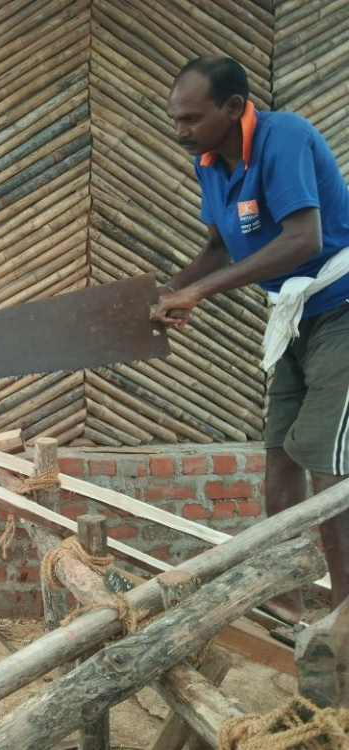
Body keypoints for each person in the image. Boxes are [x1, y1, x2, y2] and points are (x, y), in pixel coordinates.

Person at [153, 56, 349, 623]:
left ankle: (342, 621)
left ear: (234, 108)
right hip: (292, 318)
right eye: (176, 119)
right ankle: (284, 603)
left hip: (340, 310)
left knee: (330, 465)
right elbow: (219, 247)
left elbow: (302, 239)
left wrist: (200, 293)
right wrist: (170, 290)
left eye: (191, 119)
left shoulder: (283, 137)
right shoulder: (210, 162)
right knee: (280, 456)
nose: (181, 131)